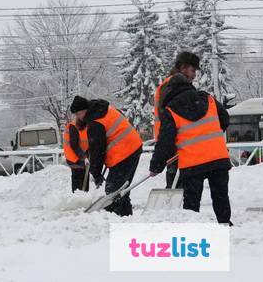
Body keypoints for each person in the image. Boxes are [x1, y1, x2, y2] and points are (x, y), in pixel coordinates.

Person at [149, 52, 232, 225]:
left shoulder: (170, 109)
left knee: (191, 203)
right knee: (220, 196)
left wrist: (156, 165)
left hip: (193, 162)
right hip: (218, 158)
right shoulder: (207, 98)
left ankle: (191, 231)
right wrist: (210, 137)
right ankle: (225, 227)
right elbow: (225, 120)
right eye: (193, 71)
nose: (194, 75)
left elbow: (166, 139)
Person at [71, 96, 143, 216]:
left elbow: (97, 151)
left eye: (78, 113)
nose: (78, 117)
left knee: (113, 192)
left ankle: (116, 218)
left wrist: (96, 173)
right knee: (120, 191)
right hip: (132, 147)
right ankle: (125, 218)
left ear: (84, 110)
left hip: (125, 152)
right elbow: (100, 144)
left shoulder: (95, 123)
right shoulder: (103, 109)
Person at [153, 52, 201, 189]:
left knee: (176, 179)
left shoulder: (172, 85)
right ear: (183, 68)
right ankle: (176, 207)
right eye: (193, 70)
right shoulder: (173, 86)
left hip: (172, 139)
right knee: (177, 182)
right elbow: (170, 116)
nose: (195, 75)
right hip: (173, 140)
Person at [64, 101, 89, 192]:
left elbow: (87, 142)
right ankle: (78, 201)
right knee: (78, 182)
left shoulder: (85, 124)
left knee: (84, 180)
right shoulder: (73, 126)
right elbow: (74, 145)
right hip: (73, 157)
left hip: (81, 156)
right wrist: (84, 157)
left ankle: (84, 199)